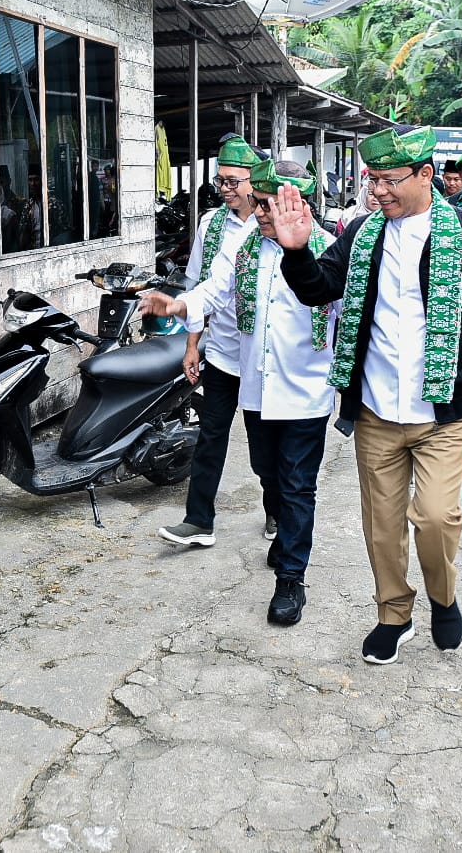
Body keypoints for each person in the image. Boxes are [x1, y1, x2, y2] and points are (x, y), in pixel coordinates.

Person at [274, 125, 462, 664]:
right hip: (376, 410)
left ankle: (443, 597)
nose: (378, 191)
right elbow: (320, 289)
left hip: (445, 410)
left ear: (427, 175)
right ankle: (394, 613)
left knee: (435, 517)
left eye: (390, 180)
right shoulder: (364, 234)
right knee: (381, 526)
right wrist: (296, 251)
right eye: (373, 180)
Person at [142, 160, 338, 625]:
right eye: (261, 204)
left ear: (299, 205)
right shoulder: (245, 246)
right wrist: (179, 304)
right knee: (265, 468)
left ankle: (291, 579)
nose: (261, 214)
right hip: (256, 385)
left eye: (270, 207)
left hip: (306, 391)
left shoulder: (331, 249)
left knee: (296, 484)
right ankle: (284, 528)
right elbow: (213, 288)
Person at [157, 134, 277, 548]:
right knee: (210, 435)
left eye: (233, 181)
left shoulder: (271, 223)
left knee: (263, 445)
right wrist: (193, 344)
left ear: (253, 181)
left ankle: (276, 511)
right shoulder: (211, 225)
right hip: (224, 350)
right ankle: (198, 520)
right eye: (220, 181)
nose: (225, 188)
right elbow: (200, 289)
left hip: (263, 356)